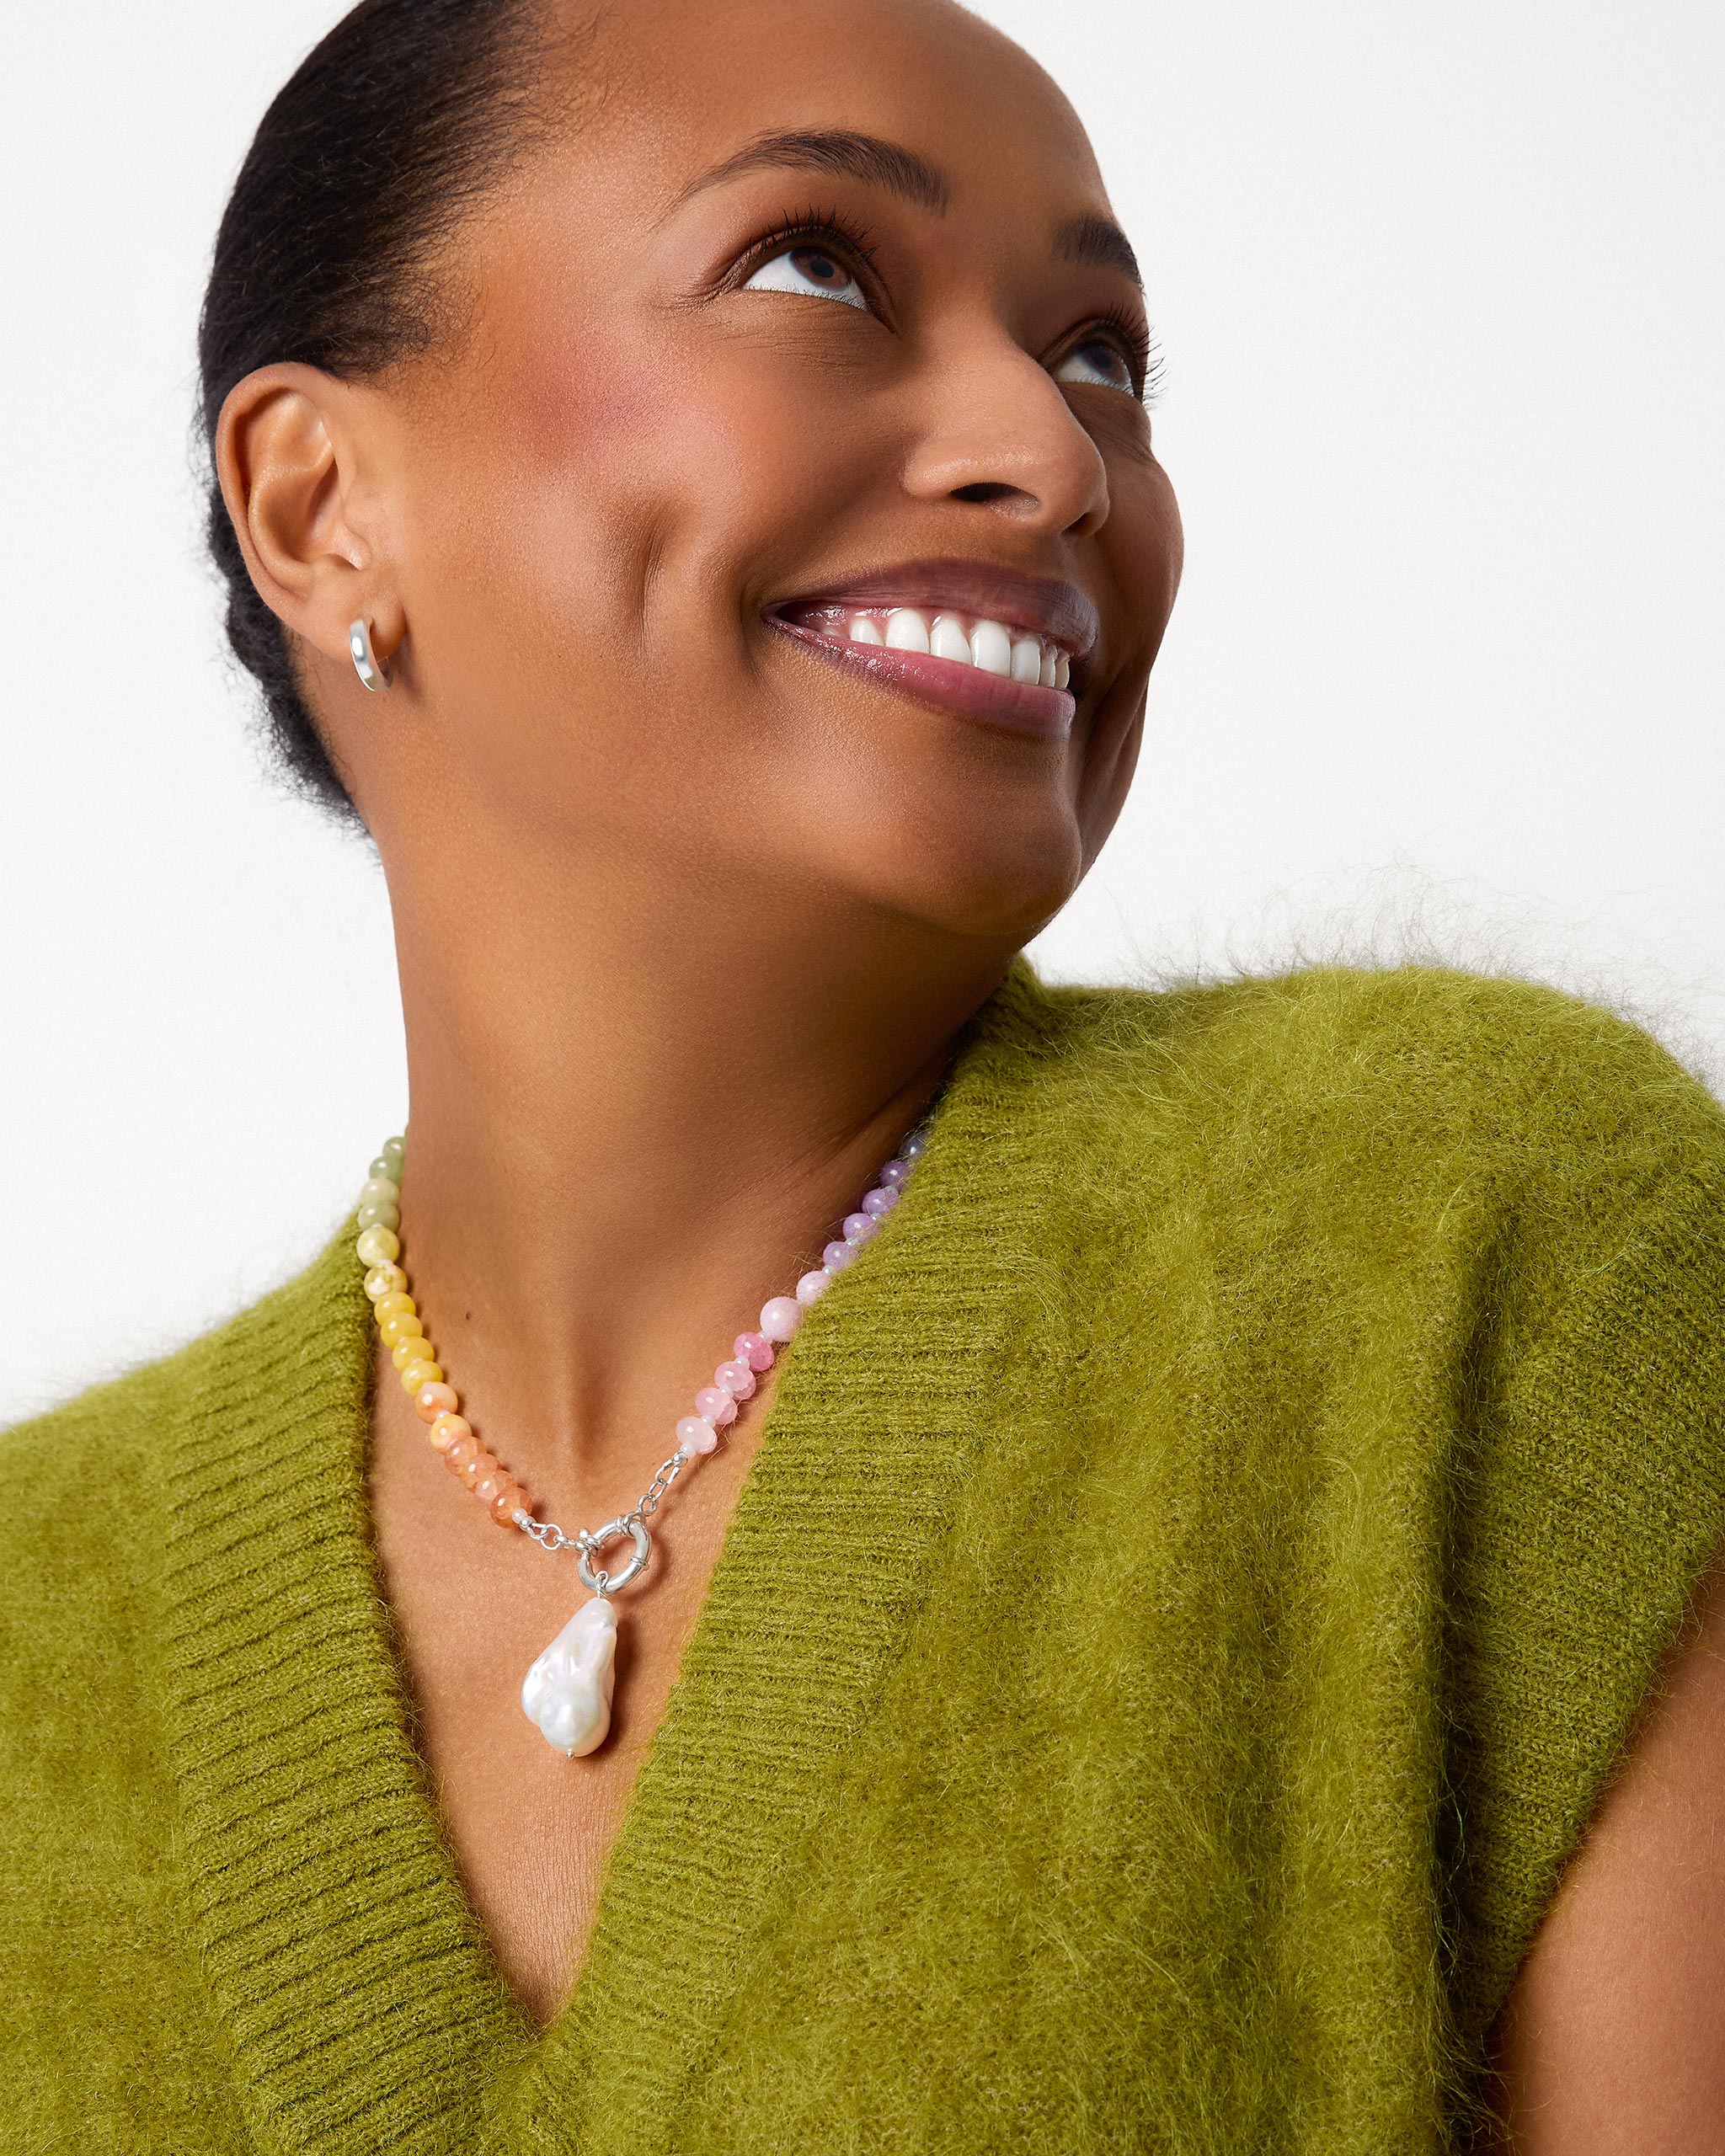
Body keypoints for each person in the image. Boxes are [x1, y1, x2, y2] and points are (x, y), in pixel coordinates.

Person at [3, 0, 1722, 2147]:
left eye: (1101, 356)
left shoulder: (1475, 1261)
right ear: (321, 500)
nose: (1054, 453)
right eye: (813, 265)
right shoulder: (31, 1620)